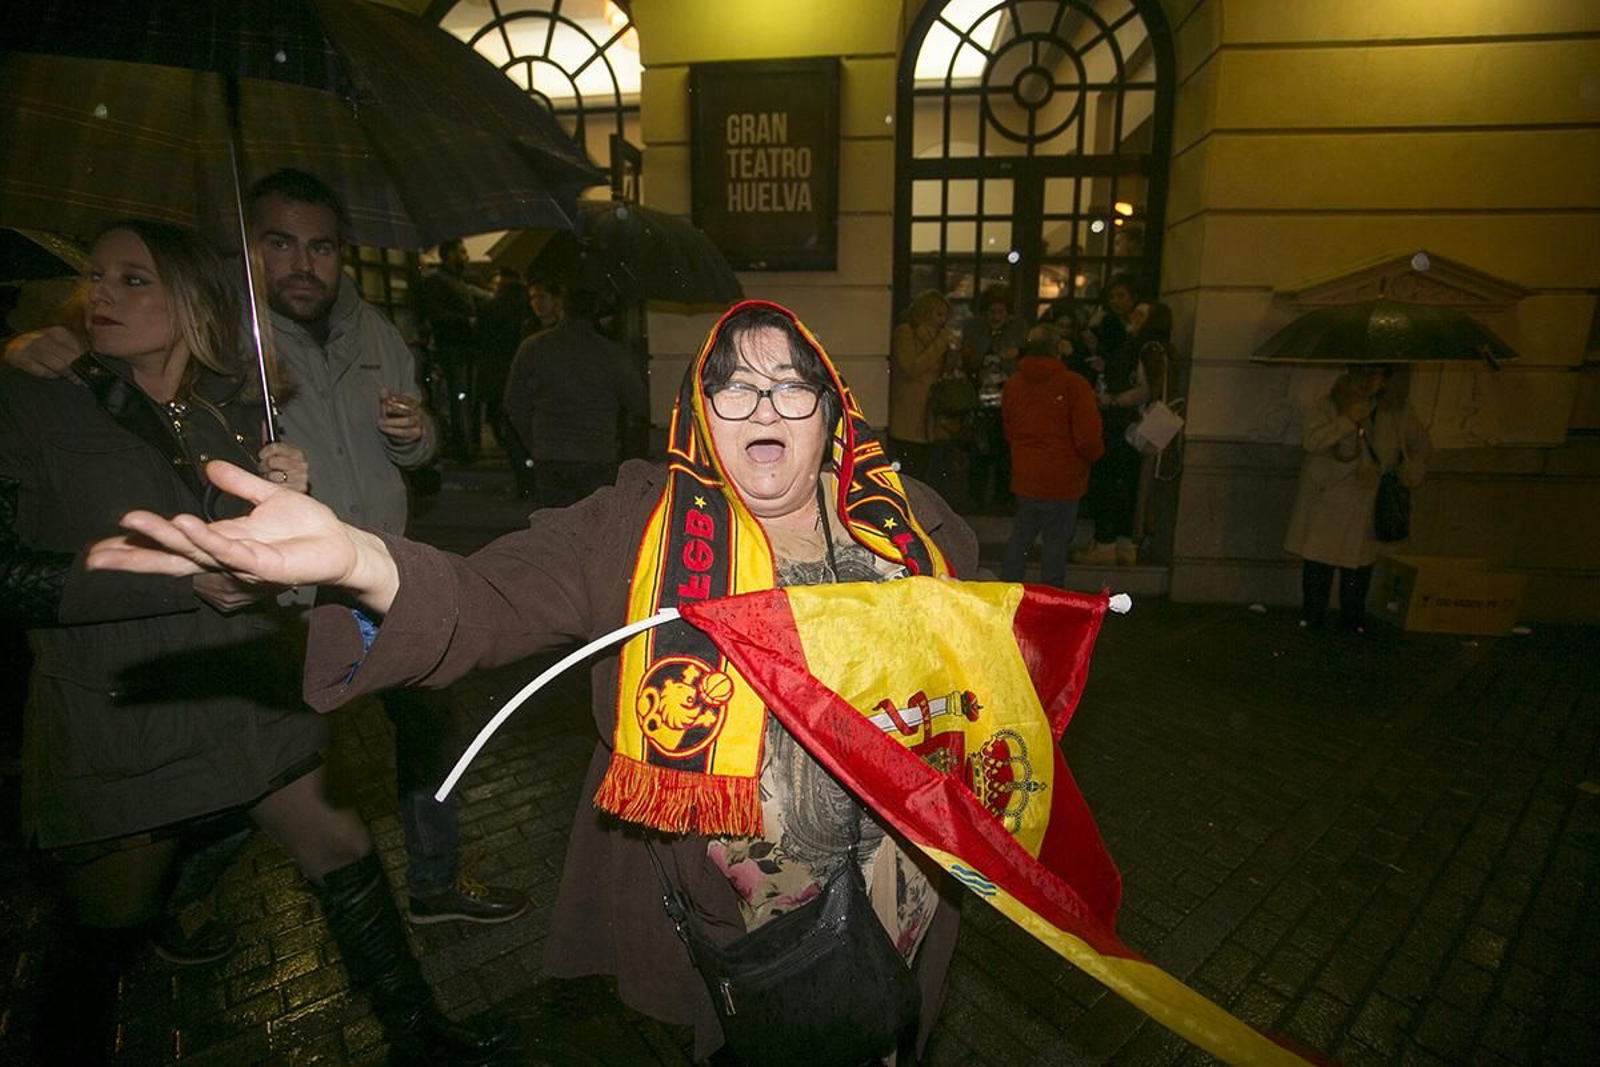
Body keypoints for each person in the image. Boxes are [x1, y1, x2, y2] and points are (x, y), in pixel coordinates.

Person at [86, 301, 980, 1063]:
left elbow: (983, 676)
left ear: (830, 408)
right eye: (734, 384)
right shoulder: (634, 526)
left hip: (900, 880)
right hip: (740, 910)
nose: (764, 405)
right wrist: (360, 561)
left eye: (792, 383)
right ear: (700, 409)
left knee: (889, 1032)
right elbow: (488, 595)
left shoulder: (909, 522)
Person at [0, 220, 511, 1066]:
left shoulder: (229, 415)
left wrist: (281, 512)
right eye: (97, 275)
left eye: (135, 280)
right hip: (126, 712)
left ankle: (420, 1037)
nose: (102, 295)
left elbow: (254, 565)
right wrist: (168, 576)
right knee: (108, 934)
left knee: (344, 850)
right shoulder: (35, 396)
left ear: (194, 300)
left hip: (247, 693)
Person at [1285, 364, 1431, 633]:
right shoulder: (1328, 404)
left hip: (1368, 498)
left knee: (1360, 562)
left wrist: (1411, 468)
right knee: (1319, 559)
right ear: (1350, 374)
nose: (1367, 381)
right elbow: (1311, 441)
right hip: (1329, 497)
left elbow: (1420, 443)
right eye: (1362, 373)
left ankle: (1353, 619)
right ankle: (1312, 616)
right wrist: (1348, 421)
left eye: (1376, 374)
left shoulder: (1396, 410)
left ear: (1384, 380)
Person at [502, 277, 647, 509]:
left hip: (550, 451)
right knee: (592, 529)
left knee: (553, 529)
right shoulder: (610, 353)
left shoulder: (534, 347)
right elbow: (638, 402)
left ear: (563, 306)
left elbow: (514, 402)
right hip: (597, 452)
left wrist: (533, 440)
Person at [1000, 329, 1104, 586]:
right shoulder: (1073, 384)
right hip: (1064, 476)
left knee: (1021, 538)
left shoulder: (1013, 384)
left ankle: (1007, 593)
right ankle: (1051, 600)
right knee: (1056, 542)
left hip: (1027, 474)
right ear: (1058, 351)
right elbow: (1088, 435)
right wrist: (1091, 458)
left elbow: (1009, 429)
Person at [1075, 290, 1156, 566]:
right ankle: (1122, 544)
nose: (1134, 317)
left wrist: (1113, 400)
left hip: (1124, 423)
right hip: (1133, 424)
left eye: (1142, 314)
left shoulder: (1143, 348)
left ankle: (1108, 544)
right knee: (1126, 485)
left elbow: (1144, 390)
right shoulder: (1143, 347)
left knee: (1110, 482)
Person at [417, 238, 490, 462]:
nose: (465, 256)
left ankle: (468, 445)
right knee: (459, 398)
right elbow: (436, 313)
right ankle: (463, 447)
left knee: (468, 398)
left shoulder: (458, 280)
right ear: (448, 255)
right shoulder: (437, 281)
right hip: (451, 347)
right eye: (461, 252)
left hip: (465, 346)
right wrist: (464, 321)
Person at [959, 284, 1026, 513]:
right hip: (981, 397)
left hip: (1007, 399)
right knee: (980, 450)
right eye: (992, 312)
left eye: (1001, 313)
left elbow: (1019, 361)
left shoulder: (1017, 331)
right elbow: (970, 360)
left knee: (1003, 452)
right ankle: (976, 498)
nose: (996, 317)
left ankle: (1001, 499)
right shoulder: (975, 330)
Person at [887, 289, 957, 489]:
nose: (942, 320)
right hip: (910, 412)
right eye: (938, 314)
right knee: (910, 467)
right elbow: (911, 366)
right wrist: (940, 344)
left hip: (932, 411)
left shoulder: (940, 338)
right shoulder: (905, 333)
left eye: (945, 315)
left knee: (928, 467)